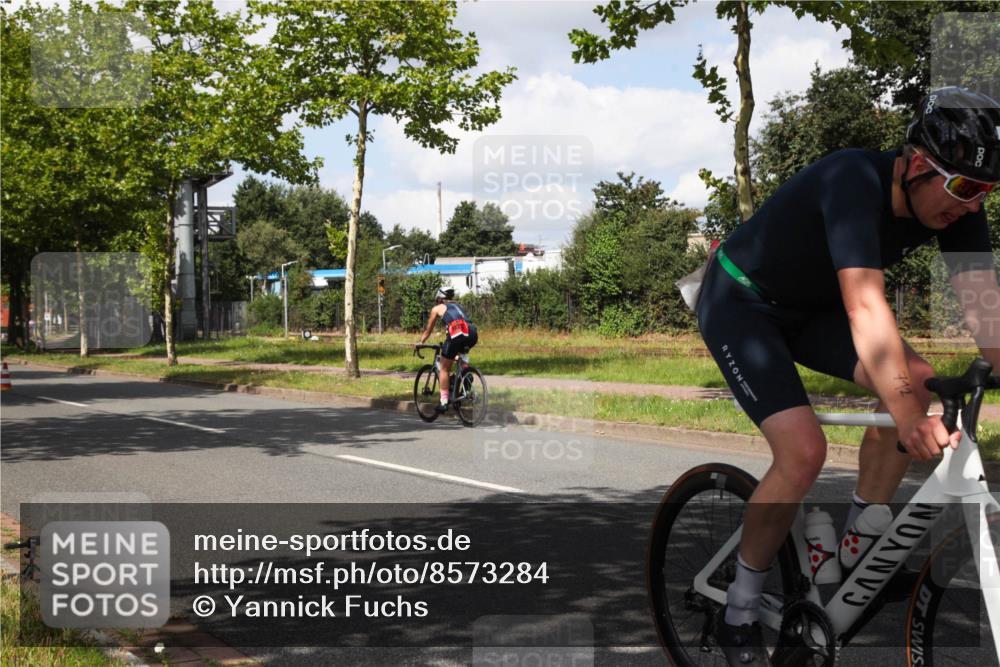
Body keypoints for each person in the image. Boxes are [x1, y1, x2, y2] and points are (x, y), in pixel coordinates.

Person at [695, 86, 1000, 665]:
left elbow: (989, 314)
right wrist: (907, 416)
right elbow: (865, 304)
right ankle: (739, 607)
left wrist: (914, 399)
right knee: (804, 451)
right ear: (916, 164)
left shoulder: (959, 207)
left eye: (986, 192)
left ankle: (859, 553)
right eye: (964, 187)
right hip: (742, 301)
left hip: (812, 311)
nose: (971, 204)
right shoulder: (852, 179)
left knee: (919, 381)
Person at [415, 286, 479, 412]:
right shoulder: (458, 306)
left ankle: (444, 402)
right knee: (460, 357)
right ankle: (466, 376)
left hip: (457, 331)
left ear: (439, 298)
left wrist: (421, 342)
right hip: (472, 331)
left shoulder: (437, 308)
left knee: (444, 368)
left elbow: (428, 330)